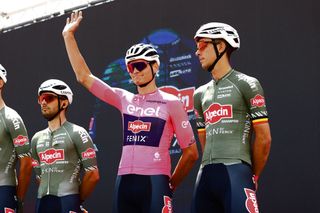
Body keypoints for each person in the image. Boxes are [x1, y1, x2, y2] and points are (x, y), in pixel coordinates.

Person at [62, 11, 199, 213]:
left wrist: (170, 184)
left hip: (156, 181)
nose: (134, 71)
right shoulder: (124, 98)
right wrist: (68, 37)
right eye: (130, 67)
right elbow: (84, 76)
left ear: (155, 66)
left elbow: (191, 153)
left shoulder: (172, 103)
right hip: (123, 181)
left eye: (139, 65)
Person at [192, 22, 272, 213]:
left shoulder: (247, 84)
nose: (197, 52)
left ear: (220, 46)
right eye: (196, 48)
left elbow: (264, 138)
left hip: (236, 172)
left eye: (202, 45)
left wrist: (253, 175)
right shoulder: (199, 94)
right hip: (205, 176)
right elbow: (204, 141)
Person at [31, 79, 100, 213]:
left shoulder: (78, 133)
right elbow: (39, 177)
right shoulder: (36, 138)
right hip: (42, 203)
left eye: (48, 98)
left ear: (64, 103)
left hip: (67, 201)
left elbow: (93, 174)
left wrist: (76, 201)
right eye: (41, 98)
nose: (43, 102)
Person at [0, 64, 33, 213]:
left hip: (4, 190)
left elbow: (26, 164)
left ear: (0, 82)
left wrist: (18, 199)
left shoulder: (12, 118)